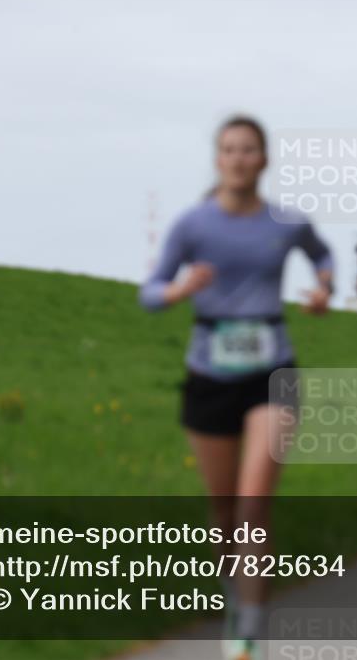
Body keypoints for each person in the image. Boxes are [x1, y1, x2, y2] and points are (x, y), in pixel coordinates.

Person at [140, 116, 334, 660]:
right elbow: (149, 292)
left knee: (253, 502)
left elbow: (323, 255)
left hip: (274, 370)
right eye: (229, 149)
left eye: (249, 149)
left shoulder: (287, 222)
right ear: (217, 159)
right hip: (209, 371)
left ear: (264, 159)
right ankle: (236, 594)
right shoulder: (192, 226)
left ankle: (248, 627)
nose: (239, 158)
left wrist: (323, 290)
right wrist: (180, 291)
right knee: (223, 512)